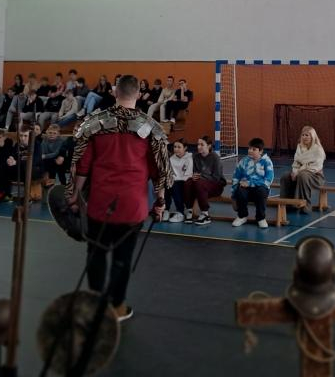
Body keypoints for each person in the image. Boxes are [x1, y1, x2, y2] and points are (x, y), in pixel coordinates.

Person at [65, 74, 173, 321]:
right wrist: (160, 202)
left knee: (96, 254)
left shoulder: (94, 123)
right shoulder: (151, 128)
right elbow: (160, 172)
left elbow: (82, 166)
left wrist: (74, 196)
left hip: (99, 204)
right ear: (138, 94)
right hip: (132, 207)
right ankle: (116, 307)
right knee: (122, 259)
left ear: (115, 92)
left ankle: (95, 304)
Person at [279, 126, 326, 211]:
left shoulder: (318, 150)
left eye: (307, 135)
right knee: (285, 176)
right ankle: (285, 204)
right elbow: (296, 163)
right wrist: (294, 172)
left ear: (312, 136)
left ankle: (305, 205)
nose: (304, 137)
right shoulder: (299, 147)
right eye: (303, 135)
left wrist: (298, 172)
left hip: (315, 176)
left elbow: (316, 167)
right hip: (299, 173)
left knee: (303, 175)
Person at [231, 137, 275, 228]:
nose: (250, 151)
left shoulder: (267, 162)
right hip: (246, 189)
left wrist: (251, 183)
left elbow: (268, 180)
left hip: (260, 189)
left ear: (260, 151)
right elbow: (236, 177)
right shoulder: (243, 161)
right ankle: (242, 216)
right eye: (249, 148)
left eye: (254, 149)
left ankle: (261, 218)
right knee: (240, 190)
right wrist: (233, 196)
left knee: (261, 191)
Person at [186, 137, 226, 225]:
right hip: (200, 185)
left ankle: (205, 214)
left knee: (199, 183)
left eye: (202, 145)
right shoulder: (196, 157)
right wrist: (193, 176)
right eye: (198, 144)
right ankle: (189, 210)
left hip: (216, 186)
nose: (198, 147)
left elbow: (216, 178)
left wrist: (201, 177)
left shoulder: (215, 158)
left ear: (209, 146)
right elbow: (195, 172)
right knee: (188, 182)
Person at [166, 139, 195, 222]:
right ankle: (166, 210)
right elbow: (171, 174)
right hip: (176, 181)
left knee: (175, 185)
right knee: (167, 184)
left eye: (179, 147)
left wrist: (175, 180)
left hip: (186, 181)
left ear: (185, 148)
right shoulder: (171, 159)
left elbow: (188, 175)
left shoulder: (189, 158)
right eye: (175, 147)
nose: (176, 149)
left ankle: (182, 212)